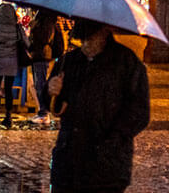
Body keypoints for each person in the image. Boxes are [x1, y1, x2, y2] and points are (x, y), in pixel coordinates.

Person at [48, 19, 151, 193]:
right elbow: (54, 104)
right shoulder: (70, 62)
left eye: (91, 38)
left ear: (105, 31)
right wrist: (51, 90)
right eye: (84, 39)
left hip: (106, 169)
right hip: (68, 165)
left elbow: (139, 111)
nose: (87, 44)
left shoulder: (126, 63)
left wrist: (112, 141)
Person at [0, 2, 28, 128]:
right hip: (12, 61)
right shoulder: (17, 28)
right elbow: (27, 43)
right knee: (8, 89)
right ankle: (8, 116)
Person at [28, 10, 65, 126]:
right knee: (38, 83)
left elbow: (44, 39)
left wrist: (34, 28)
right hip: (39, 55)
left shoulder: (47, 22)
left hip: (42, 55)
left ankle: (44, 113)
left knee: (40, 83)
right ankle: (42, 112)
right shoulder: (47, 21)